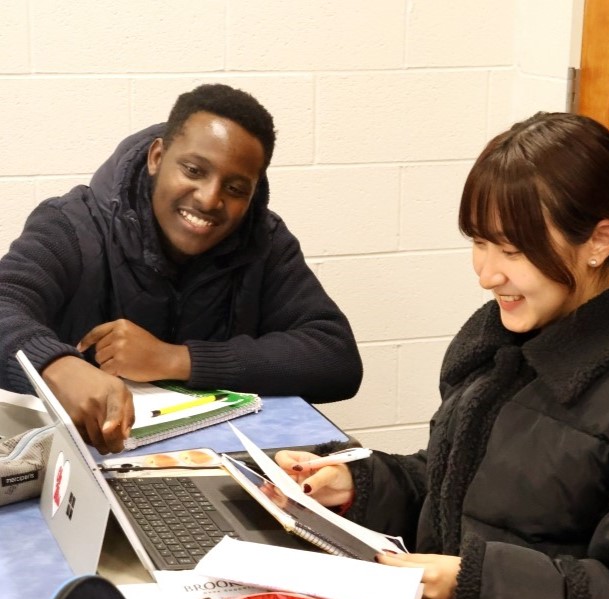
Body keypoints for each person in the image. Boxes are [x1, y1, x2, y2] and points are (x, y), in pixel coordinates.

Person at [275, 112, 609, 599]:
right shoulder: (505, 340)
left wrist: (473, 586)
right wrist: (359, 484)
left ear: (600, 242)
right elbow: (459, 487)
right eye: (478, 242)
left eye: (513, 250)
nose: (487, 274)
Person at [0, 83, 362, 454]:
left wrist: (175, 359)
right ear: (157, 156)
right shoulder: (72, 224)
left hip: (217, 468)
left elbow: (336, 358)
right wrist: (57, 366)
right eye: (193, 170)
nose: (209, 198)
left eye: (236, 189)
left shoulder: (265, 243)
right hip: (86, 469)